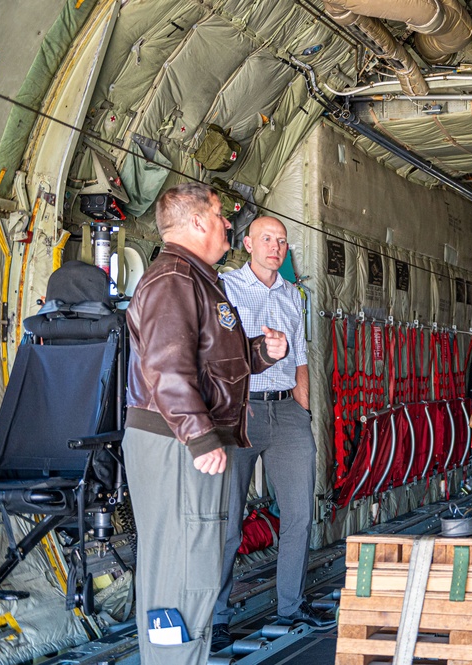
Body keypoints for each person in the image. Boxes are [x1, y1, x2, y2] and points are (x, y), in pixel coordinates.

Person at [123, 183, 288, 665]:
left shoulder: (196, 277)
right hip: (175, 440)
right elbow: (166, 366)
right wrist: (199, 436)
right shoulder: (173, 278)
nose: (227, 225)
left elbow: (205, 360)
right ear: (197, 222)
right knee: (184, 565)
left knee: (195, 559)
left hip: (184, 436)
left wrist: (258, 351)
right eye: (219, 216)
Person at [211, 217, 331, 651]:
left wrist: (304, 409)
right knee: (227, 520)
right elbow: (214, 352)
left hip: (287, 412)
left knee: (299, 513)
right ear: (246, 244)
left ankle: (290, 606)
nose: (275, 247)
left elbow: (300, 357)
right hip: (240, 413)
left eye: (281, 241)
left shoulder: (293, 294)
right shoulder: (224, 288)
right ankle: (217, 616)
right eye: (266, 239)